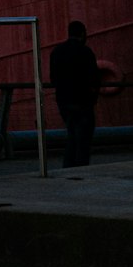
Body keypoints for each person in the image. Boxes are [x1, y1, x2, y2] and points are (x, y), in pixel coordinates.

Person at [49, 20, 101, 167]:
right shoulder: (86, 52)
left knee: (72, 134)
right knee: (83, 138)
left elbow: (53, 79)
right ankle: (81, 167)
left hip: (64, 101)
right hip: (83, 101)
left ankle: (68, 166)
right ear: (83, 34)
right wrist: (93, 96)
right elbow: (94, 77)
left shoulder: (57, 51)